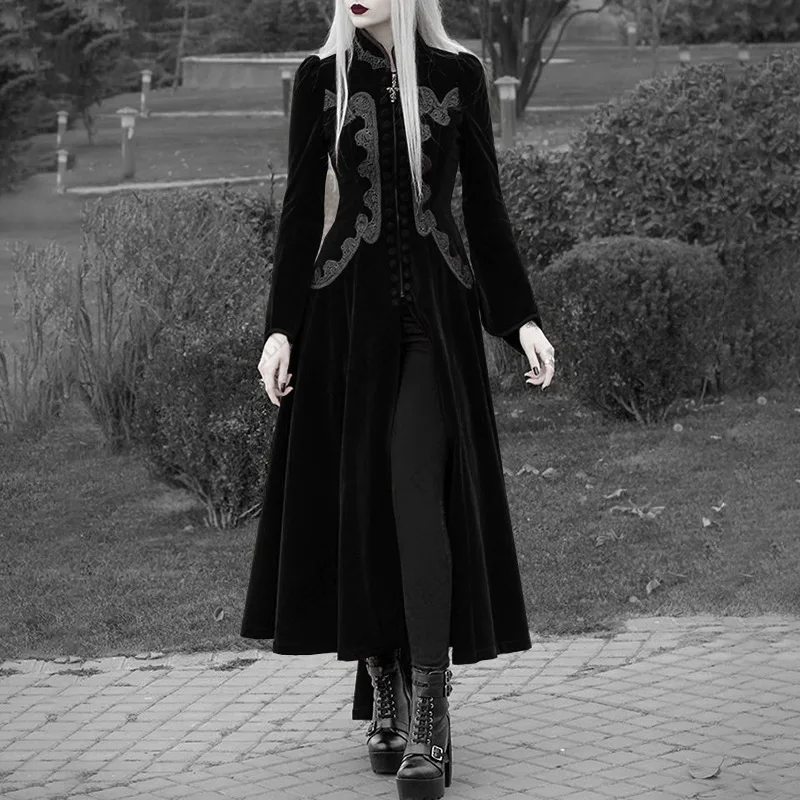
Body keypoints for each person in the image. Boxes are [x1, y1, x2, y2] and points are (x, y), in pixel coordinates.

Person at [240, 0, 556, 797]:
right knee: (364, 503)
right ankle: (384, 684)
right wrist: (281, 330)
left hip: (434, 326)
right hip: (343, 323)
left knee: (417, 501)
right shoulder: (323, 78)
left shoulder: (458, 75)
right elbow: (299, 210)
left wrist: (519, 318)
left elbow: (484, 207)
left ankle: (429, 712)